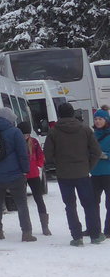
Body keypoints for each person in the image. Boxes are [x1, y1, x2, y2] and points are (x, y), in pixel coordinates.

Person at [43, 102, 103, 246]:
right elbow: (96, 152)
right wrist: (89, 166)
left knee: (70, 206)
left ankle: (77, 237)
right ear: (73, 113)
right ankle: (95, 235)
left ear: (59, 114)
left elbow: (48, 155)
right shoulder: (85, 129)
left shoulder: (54, 131)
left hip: (64, 174)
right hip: (82, 173)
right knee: (89, 204)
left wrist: (57, 164)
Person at [0, 107, 34, 241]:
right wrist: (25, 170)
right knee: (21, 203)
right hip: (15, 175)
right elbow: (23, 154)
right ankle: (26, 232)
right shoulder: (15, 132)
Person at [18, 120, 51, 235]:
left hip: (33, 174)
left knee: (39, 199)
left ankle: (45, 226)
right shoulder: (16, 143)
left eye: (27, 134)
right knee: (22, 201)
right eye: (23, 134)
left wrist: (38, 165)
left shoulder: (34, 143)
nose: (25, 137)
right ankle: (26, 227)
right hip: (21, 175)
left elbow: (41, 156)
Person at [90, 109, 110, 239]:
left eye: (100, 119)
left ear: (106, 120)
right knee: (92, 203)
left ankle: (108, 229)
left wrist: (105, 155)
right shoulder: (91, 135)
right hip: (95, 174)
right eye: (96, 119)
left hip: (108, 173)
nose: (97, 121)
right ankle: (94, 228)